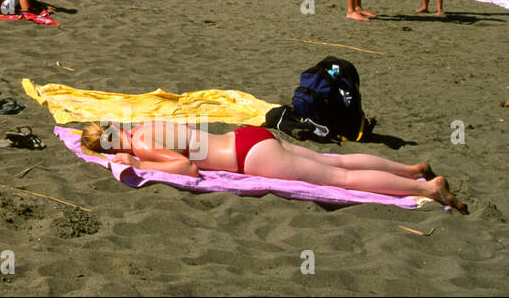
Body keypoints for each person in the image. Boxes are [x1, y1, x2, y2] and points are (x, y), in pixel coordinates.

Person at [79, 120, 466, 213]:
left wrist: (137, 163)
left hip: (249, 158)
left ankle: (427, 189)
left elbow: (187, 168)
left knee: (340, 177)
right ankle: (411, 168)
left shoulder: (142, 143)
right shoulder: (145, 124)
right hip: (248, 136)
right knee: (337, 159)